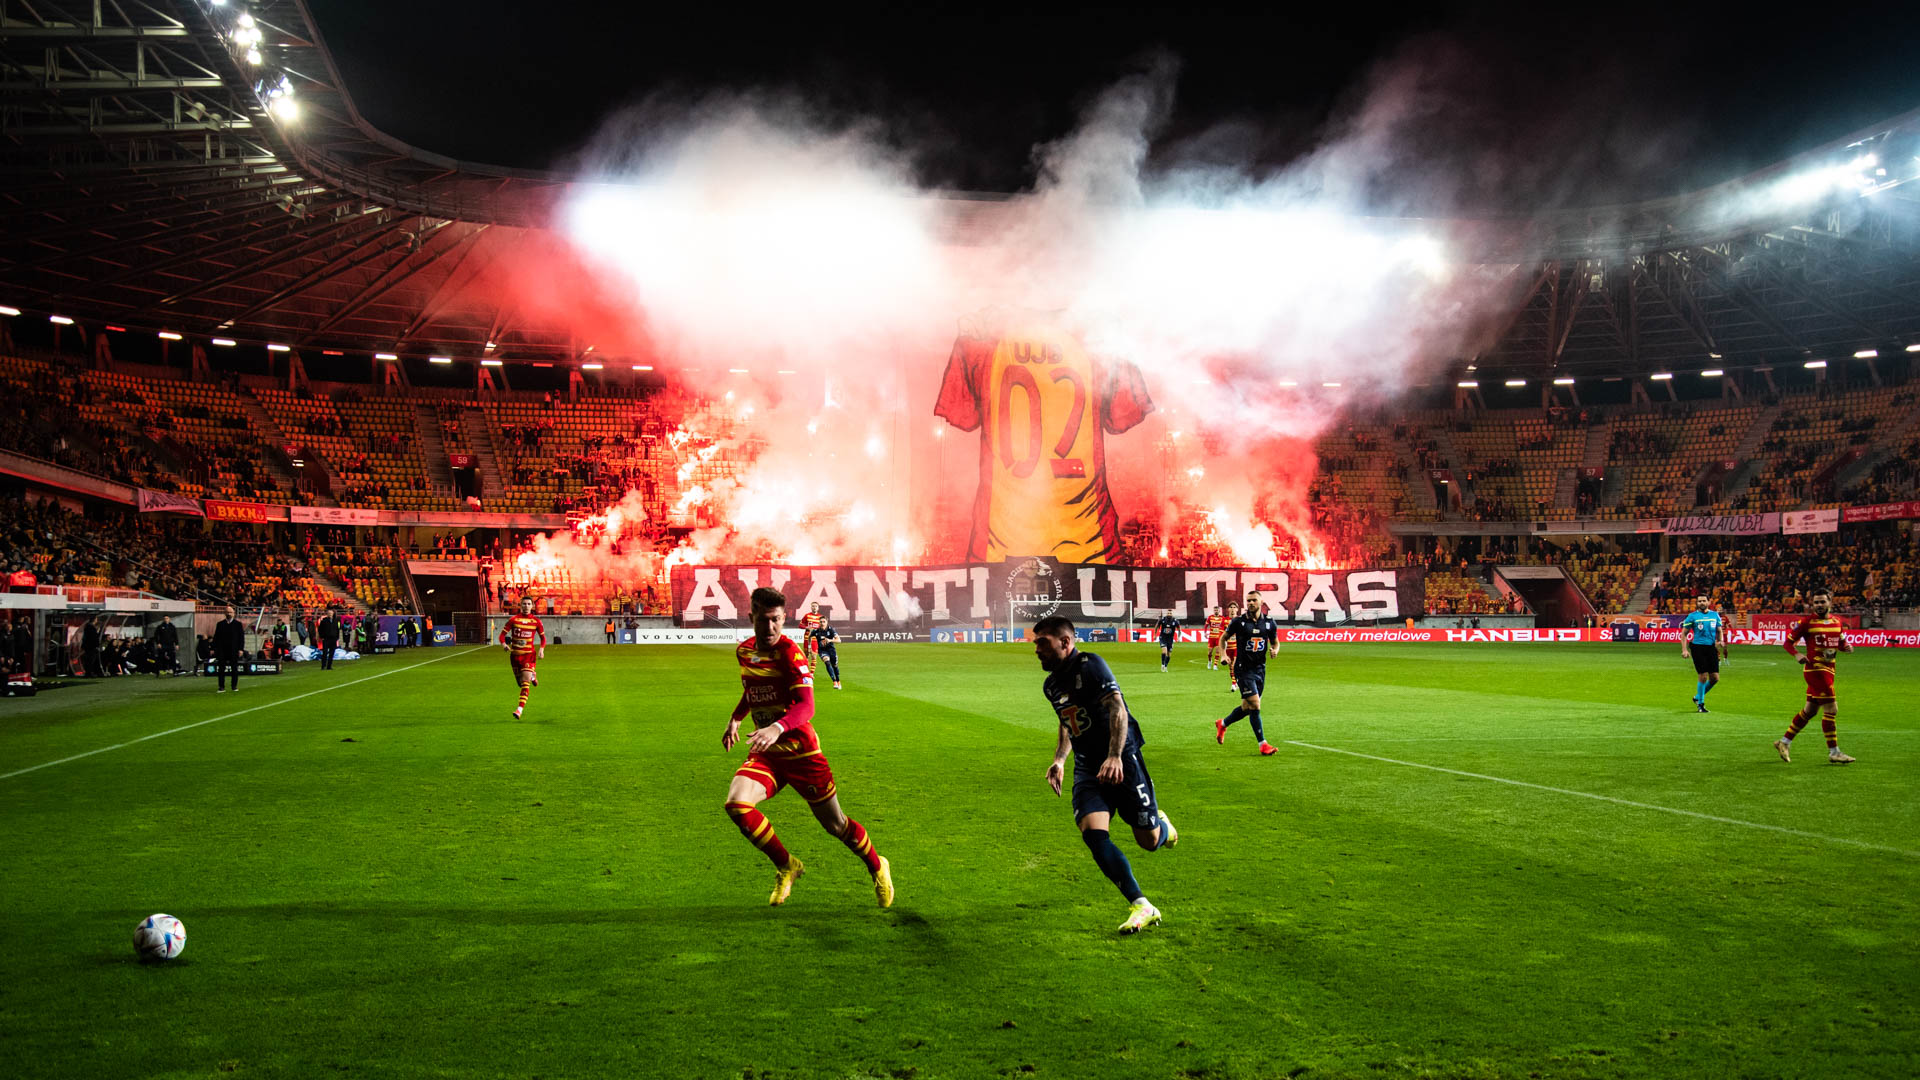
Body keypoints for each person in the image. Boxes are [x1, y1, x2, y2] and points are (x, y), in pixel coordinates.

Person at [722, 587, 891, 908]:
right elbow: (752, 690)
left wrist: (777, 726)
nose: (770, 628)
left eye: (776, 621)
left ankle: (877, 866)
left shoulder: (790, 653)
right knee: (737, 805)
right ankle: (787, 865)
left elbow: (807, 705)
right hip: (767, 752)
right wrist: (736, 718)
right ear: (751, 618)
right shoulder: (744, 651)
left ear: (784, 619)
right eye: (763, 620)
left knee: (836, 825)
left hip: (801, 752)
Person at [1033, 614, 1177, 934]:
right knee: (1093, 833)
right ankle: (1141, 904)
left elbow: (1117, 707)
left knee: (1149, 841)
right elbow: (1068, 720)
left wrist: (1115, 755)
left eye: (1043, 643)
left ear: (1066, 643)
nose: (1036, 650)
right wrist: (1059, 760)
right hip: (1087, 767)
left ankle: (1163, 827)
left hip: (1122, 759)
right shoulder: (1051, 684)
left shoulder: (1091, 665)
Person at [1775, 589, 1855, 765]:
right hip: (1816, 671)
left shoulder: (1837, 622)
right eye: (1816, 602)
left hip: (1829, 669)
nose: (1819, 605)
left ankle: (1784, 742)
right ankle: (1834, 752)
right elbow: (1788, 642)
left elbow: (1840, 643)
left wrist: (1846, 647)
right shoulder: (1807, 622)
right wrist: (1796, 654)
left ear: (1830, 602)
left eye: (1822, 602)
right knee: (1831, 710)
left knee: (1810, 711)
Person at [1216, 595, 1279, 756]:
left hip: (1260, 670)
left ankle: (1223, 723)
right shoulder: (1238, 622)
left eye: (1254, 600)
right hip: (1243, 669)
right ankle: (1262, 744)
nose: (1250, 603)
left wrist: (1275, 649)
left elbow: (1275, 641)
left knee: (1246, 707)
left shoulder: (1269, 623)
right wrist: (1223, 655)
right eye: (1248, 600)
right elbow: (1223, 638)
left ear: (1261, 602)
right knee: (1255, 705)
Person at [500, 596, 546, 719]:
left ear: (532, 606)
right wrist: (504, 645)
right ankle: (533, 675)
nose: (526, 606)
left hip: (528, 655)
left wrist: (541, 649)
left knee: (525, 683)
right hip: (515, 656)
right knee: (520, 684)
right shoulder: (513, 620)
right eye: (524, 604)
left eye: (528, 604)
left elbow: (543, 638)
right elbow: (502, 635)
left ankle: (519, 710)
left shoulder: (536, 621)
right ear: (520, 605)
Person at [1678, 595, 1726, 713]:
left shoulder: (1715, 615)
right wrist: (1684, 650)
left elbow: (1719, 631)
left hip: (1711, 648)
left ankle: (1697, 697)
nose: (1702, 602)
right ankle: (1701, 705)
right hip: (1698, 648)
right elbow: (1683, 634)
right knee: (1703, 676)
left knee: (1715, 678)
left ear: (1708, 602)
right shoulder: (1692, 616)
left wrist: (1720, 640)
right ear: (1697, 603)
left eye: (1704, 600)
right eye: (1699, 601)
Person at [211, 605, 245, 692]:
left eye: (231, 612)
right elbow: (216, 637)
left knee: (234, 669)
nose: (229, 614)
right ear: (225, 613)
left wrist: (241, 649)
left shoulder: (238, 624)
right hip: (222, 650)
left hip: (234, 649)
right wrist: (213, 648)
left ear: (234, 613)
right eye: (227, 612)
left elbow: (241, 638)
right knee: (221, 669)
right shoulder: (220, 624)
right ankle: (221, 686)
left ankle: (234, 686)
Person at [813, 615, 842, 690]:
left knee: (835, 665)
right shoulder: (816, 631)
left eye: (824, 622)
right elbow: (809, 637)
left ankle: (838, 681)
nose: (822, 623)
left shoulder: (831, 630)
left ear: (827, 622)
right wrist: (810, 647)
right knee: (827, 662)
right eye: (821, 622)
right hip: (822, 650)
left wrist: (830, 640)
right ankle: (834, 682)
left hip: (831, 650)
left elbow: (839, 640)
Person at [1219, 600, 1241, 692]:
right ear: (1228, 609)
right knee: (1230, 667)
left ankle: (1234, 684)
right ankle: (1235, 682)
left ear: (1237, 609)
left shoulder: (1240, 620)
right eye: (1231, 607)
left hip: (1237, 647)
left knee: (1234, 665)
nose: (1232, 609)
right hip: (1228, 648)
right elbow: (1221, 636)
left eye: (1234, 607)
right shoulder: (1224, 620)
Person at [1203, 606, 1228, 671]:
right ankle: (1209, 661)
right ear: (1213, 611)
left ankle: (1215, 665)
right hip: (1211, 637)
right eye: (1215, 610)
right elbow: (1206, 625)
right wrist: (1205, 633)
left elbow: (1225, 627)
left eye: (1217, 610)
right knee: (1209, 652)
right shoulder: (1210, 617)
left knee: (1217, 651)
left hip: (1218, 637)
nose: (1216, 611)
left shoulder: (1223, 618)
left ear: (1219, 611)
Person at [800, 602, 825, 666]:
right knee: (806, 655)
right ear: (811, 607)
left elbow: (823, 627)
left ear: (818, 608)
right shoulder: (807, 615)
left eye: (816, 606)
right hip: (807, 638)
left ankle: (811, 673)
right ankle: (807, 672)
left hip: (815, 639)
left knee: (814, 656)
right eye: (813, 606)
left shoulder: (821, 617)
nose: (814, 607)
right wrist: (806, 627)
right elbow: (800, 625)